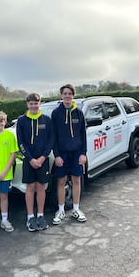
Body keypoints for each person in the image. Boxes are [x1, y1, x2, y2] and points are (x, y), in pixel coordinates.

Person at [51, 84, 87, 225]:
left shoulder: (78, 113)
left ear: (73, 95)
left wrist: (83, 153)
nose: (67, 96)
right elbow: (53, 136)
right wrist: (57, 155)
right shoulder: (56, 113)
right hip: (62, 154)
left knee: (76, 180)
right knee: (61, 181)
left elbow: (83, 134)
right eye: (65, 93)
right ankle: (60, 210)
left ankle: (76, 209)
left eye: (70, 93)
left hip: (77, 152)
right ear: (61, 95)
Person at [17, 93, 53, 232]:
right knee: (30, 188)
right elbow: (20, 142)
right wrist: (30, 158)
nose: (33, 106)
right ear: (27, 104)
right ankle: (30, 217)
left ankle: (41, 215)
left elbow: (51, 141)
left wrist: (43, 157)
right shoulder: (22, 120)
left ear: (40, 103)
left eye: (36, 103)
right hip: (29, 160)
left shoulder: (46, 120)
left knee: (41, 187)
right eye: (31, 103)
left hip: (43, 160)